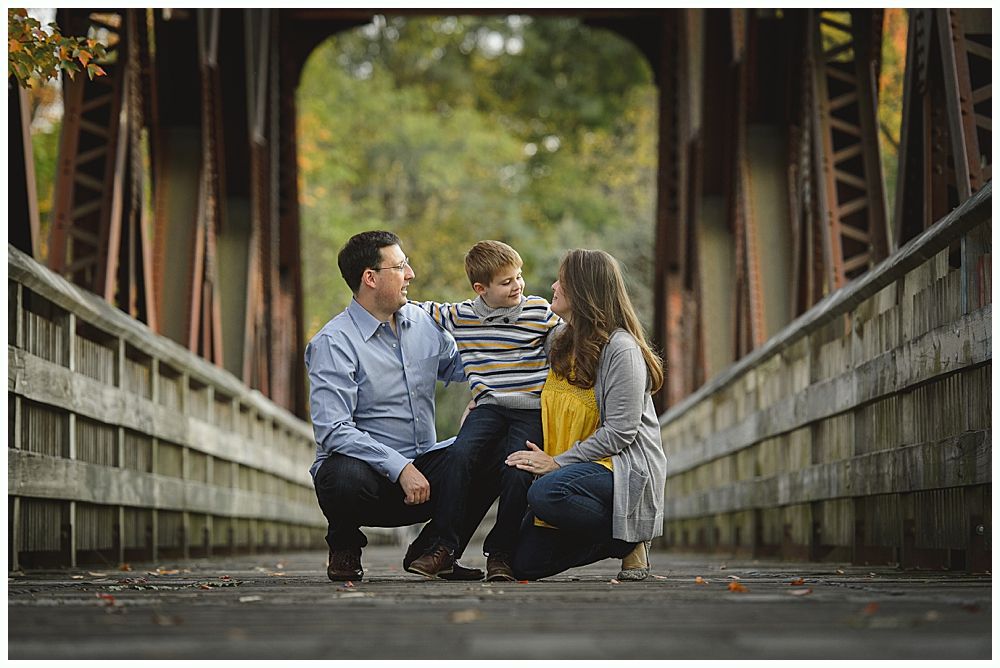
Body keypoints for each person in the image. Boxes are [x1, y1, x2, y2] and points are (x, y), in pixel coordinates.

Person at [306, 230, 493, 582]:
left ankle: (437, 549)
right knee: (337, 474)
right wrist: (401, 467)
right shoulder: (333, 343)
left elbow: (463, 366)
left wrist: (487, 398)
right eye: (401, 266)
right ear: (370, 278)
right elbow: (334, 430)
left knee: (497, 449)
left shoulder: (423, 321)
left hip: (428, 474)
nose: (411, 275)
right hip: (370, 481)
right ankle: (344, 543)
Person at [505, 249, 667, 581]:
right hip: (573, 469)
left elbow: (621, 431)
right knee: (525, 564)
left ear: (582, 291)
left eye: (561, 281)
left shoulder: (621, 349)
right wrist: (480, 397)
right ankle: (617, 540)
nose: (553, 286)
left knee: (545, 493)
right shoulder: (559, 341)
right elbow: (510, 364)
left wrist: (558, 463)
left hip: (621, 467)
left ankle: (630, 537)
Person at [410, 240, 560, 581]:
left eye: (518, 277)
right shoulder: (462, 315)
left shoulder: (537, 311)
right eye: (506, 282)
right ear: (481, 289)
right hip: (489, 406)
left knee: (518, 470)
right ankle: (444, 546)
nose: (517, 286)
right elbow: (419, 309)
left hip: (530, 408)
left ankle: (501, 554)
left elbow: (569, 335)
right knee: (459, 455)